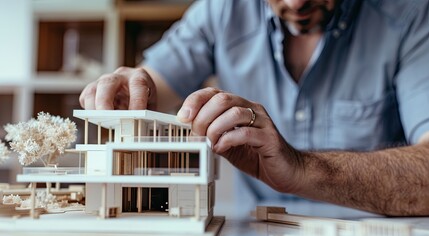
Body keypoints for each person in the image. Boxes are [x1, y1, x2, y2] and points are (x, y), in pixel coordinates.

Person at [79, 0, 429, 216]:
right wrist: (132, 91)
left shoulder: (409, 16)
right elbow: (151, 87)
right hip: (257, 226)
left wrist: (304, 169)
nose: (296, 2)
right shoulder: (223, 10)